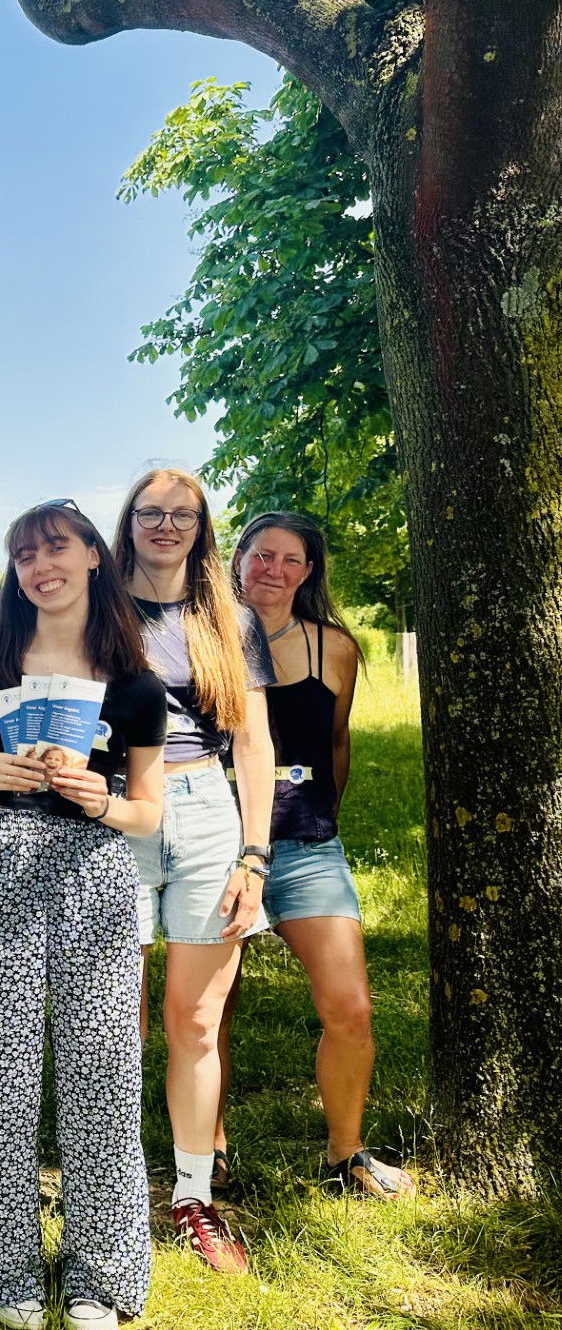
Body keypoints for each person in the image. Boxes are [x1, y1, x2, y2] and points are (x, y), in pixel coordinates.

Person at [0, 499, 166, 1330]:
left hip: (95, 874)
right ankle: (8, 1267)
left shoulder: (137, 682)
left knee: (101, 1073)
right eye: (26, 555)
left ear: (93, 560)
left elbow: (149, 813)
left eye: (58, 549)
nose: (42, 566)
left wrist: (101, 799)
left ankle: (99, 1276)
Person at [114, 468, 275, 1274]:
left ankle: (190, 1195)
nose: (166, 525)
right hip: (118, 812)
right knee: (116, 1018)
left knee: (197, 1022)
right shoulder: (98, 606)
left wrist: (255, 853)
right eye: (152, 513)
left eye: (183, 515)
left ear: (203, 527)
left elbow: (253, 743)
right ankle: (107, 1185)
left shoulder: (230, 618)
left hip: (210, 813)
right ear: (130, 522)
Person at [225, 513, 414, 1198]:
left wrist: (323, 814)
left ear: (308, 573)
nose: (273, 569)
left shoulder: (335, 648)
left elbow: (336, 742)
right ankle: (208, 1147)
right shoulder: (204, 640)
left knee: (350, 1007)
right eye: (261, 554)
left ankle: (345, 1154)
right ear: (237, 558)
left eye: (291, 559)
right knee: (213, 1010)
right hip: (219, 847)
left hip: (306, 844)